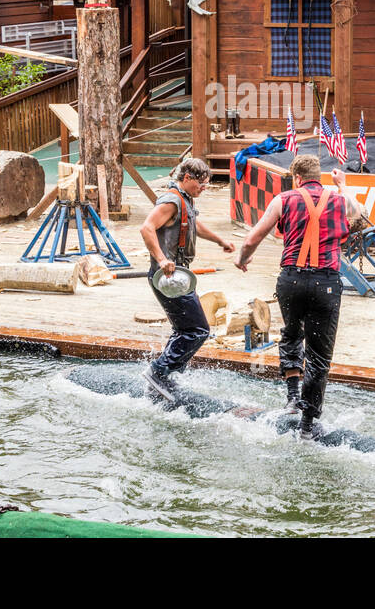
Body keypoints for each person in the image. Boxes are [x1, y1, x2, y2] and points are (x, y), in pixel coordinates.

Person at [235, 154, 355, 439]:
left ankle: (291, 398)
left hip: (292, 279)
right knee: (319, 355)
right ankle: (308, 423)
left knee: (291, 334)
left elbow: (253, 238)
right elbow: (357, 212)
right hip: (326, 282)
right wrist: (344, 184)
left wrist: (243, 258)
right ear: (319, 176)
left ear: (297, 178)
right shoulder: (338, 199)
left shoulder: (283, 199)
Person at [140, 158, 235, 399]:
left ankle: (164, 376)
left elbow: (194, 225)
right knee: (197, 330)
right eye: (201, 184)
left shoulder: (186, 200)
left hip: (180, 275)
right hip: (168, 276)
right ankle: (159, 372)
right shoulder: (172, 200)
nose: (204, 188)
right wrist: (162, 260)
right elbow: (147, 228)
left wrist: (220, 240)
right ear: (187, 178)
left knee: (184, 329)